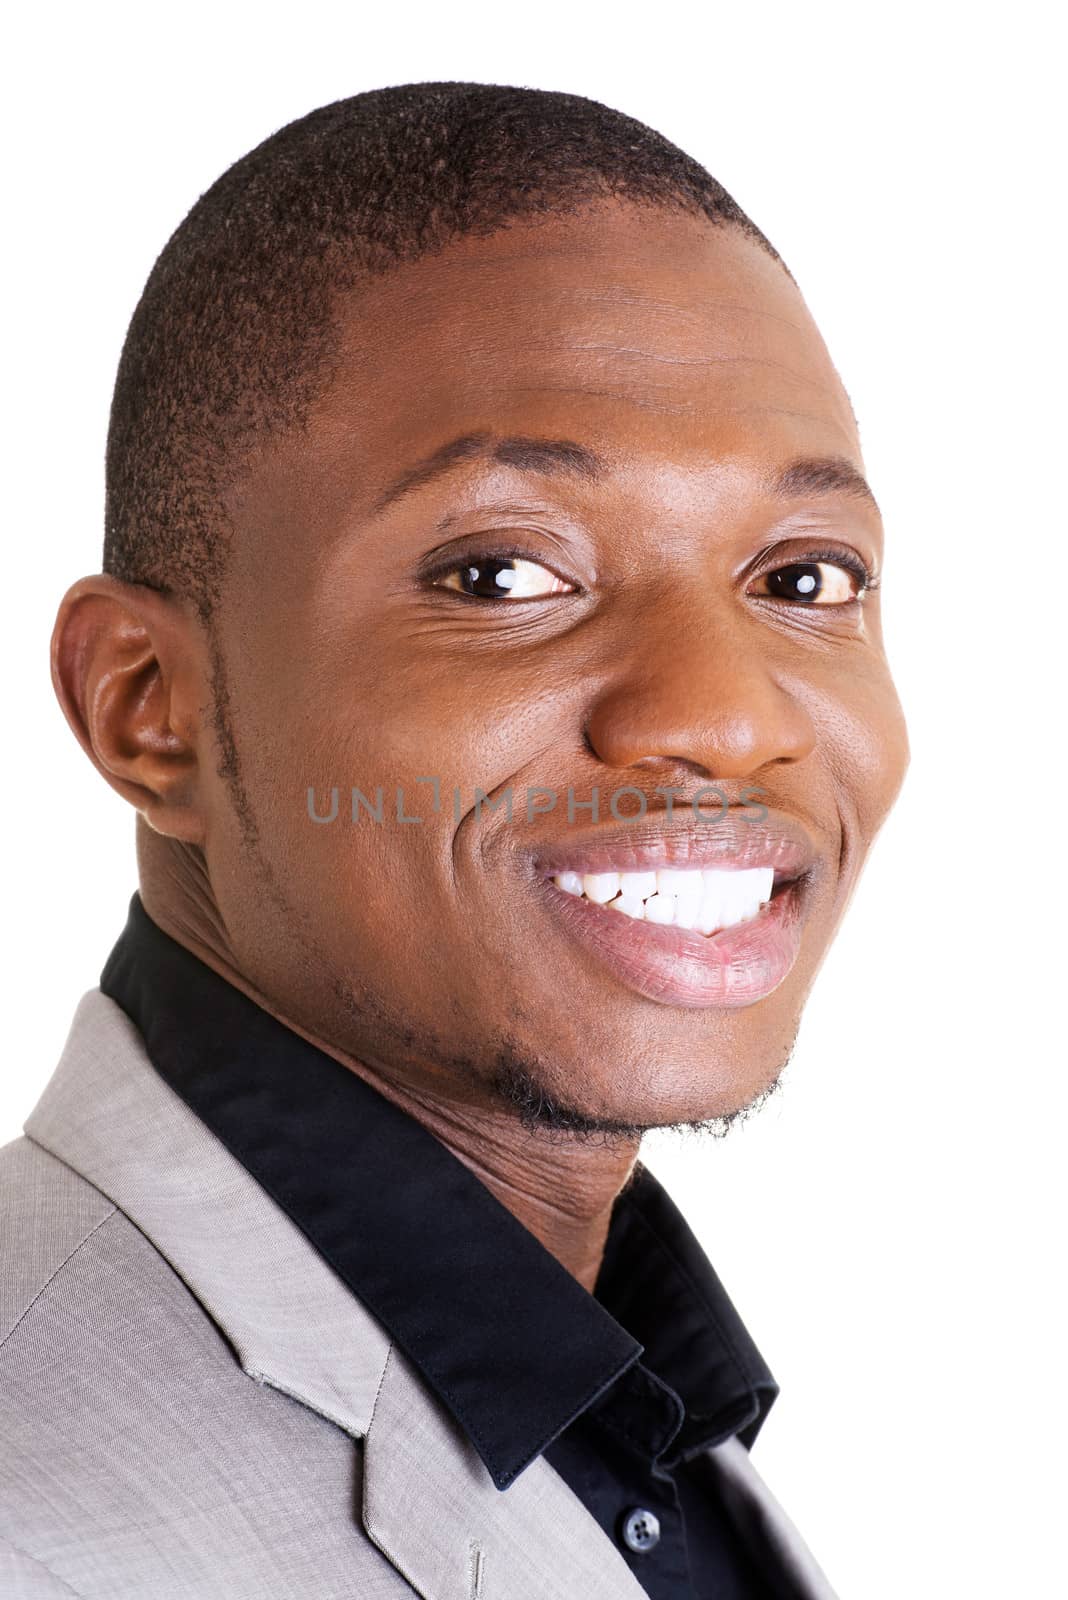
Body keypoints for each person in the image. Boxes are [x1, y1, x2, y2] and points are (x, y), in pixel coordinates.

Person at [0, 81, 909, 1599]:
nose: (727, 715)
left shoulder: (633, 1416)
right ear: (150, 710)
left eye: (804, 579)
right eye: (500, 575)